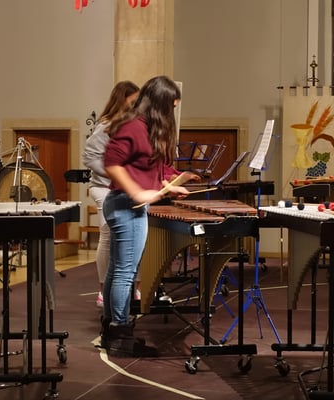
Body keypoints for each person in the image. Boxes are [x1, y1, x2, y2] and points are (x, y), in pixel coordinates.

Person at [100, 75, 197, 357]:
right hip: (125, 205)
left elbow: (148, 169)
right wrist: (137, 193)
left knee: (117, 269)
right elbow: (111, 163)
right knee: (125, 272)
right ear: (160, 104)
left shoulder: (146, 128)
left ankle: (111, 329)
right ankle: (120, 334)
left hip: (125, 205)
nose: (173, 113)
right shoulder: (134, 126)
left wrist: (169, 186)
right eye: (172, 107)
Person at [82, 81, 140, 307]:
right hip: (104, 187)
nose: (136, 105)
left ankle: (134, 287)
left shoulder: (133, 123)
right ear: (122, 99)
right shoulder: (106, 125)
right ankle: (102, 290)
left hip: (126, 188)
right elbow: (89, 157)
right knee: (108, 234)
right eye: (133, 100)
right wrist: (115, 174)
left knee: (135, 236)